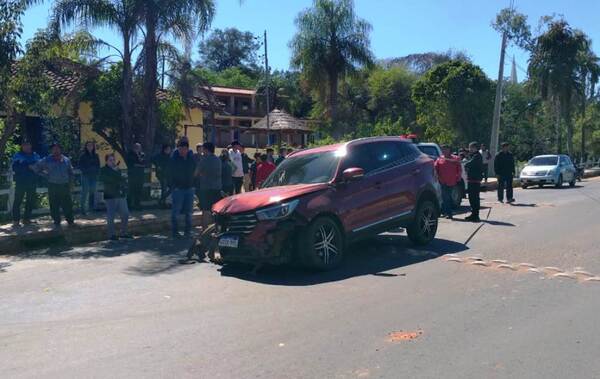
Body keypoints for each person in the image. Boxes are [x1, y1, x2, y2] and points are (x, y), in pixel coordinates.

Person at [33, 143, 75, 227]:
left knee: (67, 204)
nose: (56, 150)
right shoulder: (47, 159)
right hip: (53, 185)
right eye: (54, 149)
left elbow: (70, 172)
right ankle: (56, 221)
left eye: (57, 148)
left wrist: (71, 183)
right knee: (54, 204)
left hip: (64, 185)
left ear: (60, 149)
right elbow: (36, 168)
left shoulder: (66, 159)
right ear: (51, 150)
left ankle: (70, 221)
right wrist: (46, 175)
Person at [100, 154, 131, 240]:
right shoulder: (103, 170)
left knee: (125, 213)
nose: (112, 161)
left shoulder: (117, 169)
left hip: (120, 194)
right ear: (106, 161)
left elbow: (120, 180)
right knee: (111, 216)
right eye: (110, 160)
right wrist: (113, 172)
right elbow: (107, 180)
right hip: (110, 195)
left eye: (113, 160)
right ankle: (111, 234)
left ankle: (123, 232)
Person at [170, 139, 196, 238]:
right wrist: (173, 186)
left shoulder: (191, 158)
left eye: (184, 149)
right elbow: (169, 174)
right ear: (178, 149)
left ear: (187, 149)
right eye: (181, 149)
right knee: (176, 211)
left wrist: (194, 184)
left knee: (189, 212)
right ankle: (175, 232)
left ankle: (187, 232)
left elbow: (195, 170)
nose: (183, 151)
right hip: (178, 189)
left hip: (189, 188)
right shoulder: (174, 159)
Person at [11, 140, 40, 227]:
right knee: (18, 201)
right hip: (21, 182)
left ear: (31, 145)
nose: (26, 147)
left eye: (28, 145)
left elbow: (39, 166)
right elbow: (15, 168)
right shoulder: (17, 155)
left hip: (32, 182)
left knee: (30, 201)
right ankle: (16, 220)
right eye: (24, 145)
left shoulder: (36, 156)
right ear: (22, 146)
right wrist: (28, 166)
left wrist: (33, 167)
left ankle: (26, 219)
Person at [195, 142, 222, 231]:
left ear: (206, 149)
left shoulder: (204, 160)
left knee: (205, 210)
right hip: (217, 187)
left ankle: (204, 230)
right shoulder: (218, 160)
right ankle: (217, 228)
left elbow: (196, 173)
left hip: (206, 188)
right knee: (216, 210)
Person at [434, 146, 462, 219]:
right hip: (442, 181)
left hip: (452, 181)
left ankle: (448, 213)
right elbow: (435, 168)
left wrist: (458, 177)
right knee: (444, 197)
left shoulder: (455, 158)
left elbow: (459, 169)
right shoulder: (440, 158)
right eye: (443, 149)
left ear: (449, 150)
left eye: (446, 149)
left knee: (447, 197)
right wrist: (438, 178)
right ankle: (447, 212)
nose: (444, 150)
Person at [78, 141, 100, 215]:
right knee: (85, 192)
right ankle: (83, 210)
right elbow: (80, 166)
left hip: (94, 176)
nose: (90, 147)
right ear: (86, 147)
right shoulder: (83, 155)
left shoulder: (96, 155)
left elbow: (98, 165)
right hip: (85, 176)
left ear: (93, 147)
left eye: (91, 145)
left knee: (93, 191)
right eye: (88, 145)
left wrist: (97, 172)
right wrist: (86, 170)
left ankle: (91, 208)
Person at [464, 142, 483, 222]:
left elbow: (470, 163)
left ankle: (476, 215)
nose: (470, 149)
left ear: (475, 148)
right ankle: (473, 214)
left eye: (471, 147)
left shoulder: (477, 156)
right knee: (471, 198)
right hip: (471, 179)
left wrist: (465, 164)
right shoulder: (472, 155)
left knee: (475, 198)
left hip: (475, 180)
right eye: (469, 147)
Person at [126, 143, 146, 210]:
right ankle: (129, 205)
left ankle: (137, 205)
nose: (138, 149)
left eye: (139, 147)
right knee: (131, 190)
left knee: (139, 190)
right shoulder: (130, 155)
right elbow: (131, 164)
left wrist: (138, 157)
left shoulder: (142, 154)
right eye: (136, 147)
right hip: (132, 175)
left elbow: (144, 163)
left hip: (140, 175)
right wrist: (138, 164)